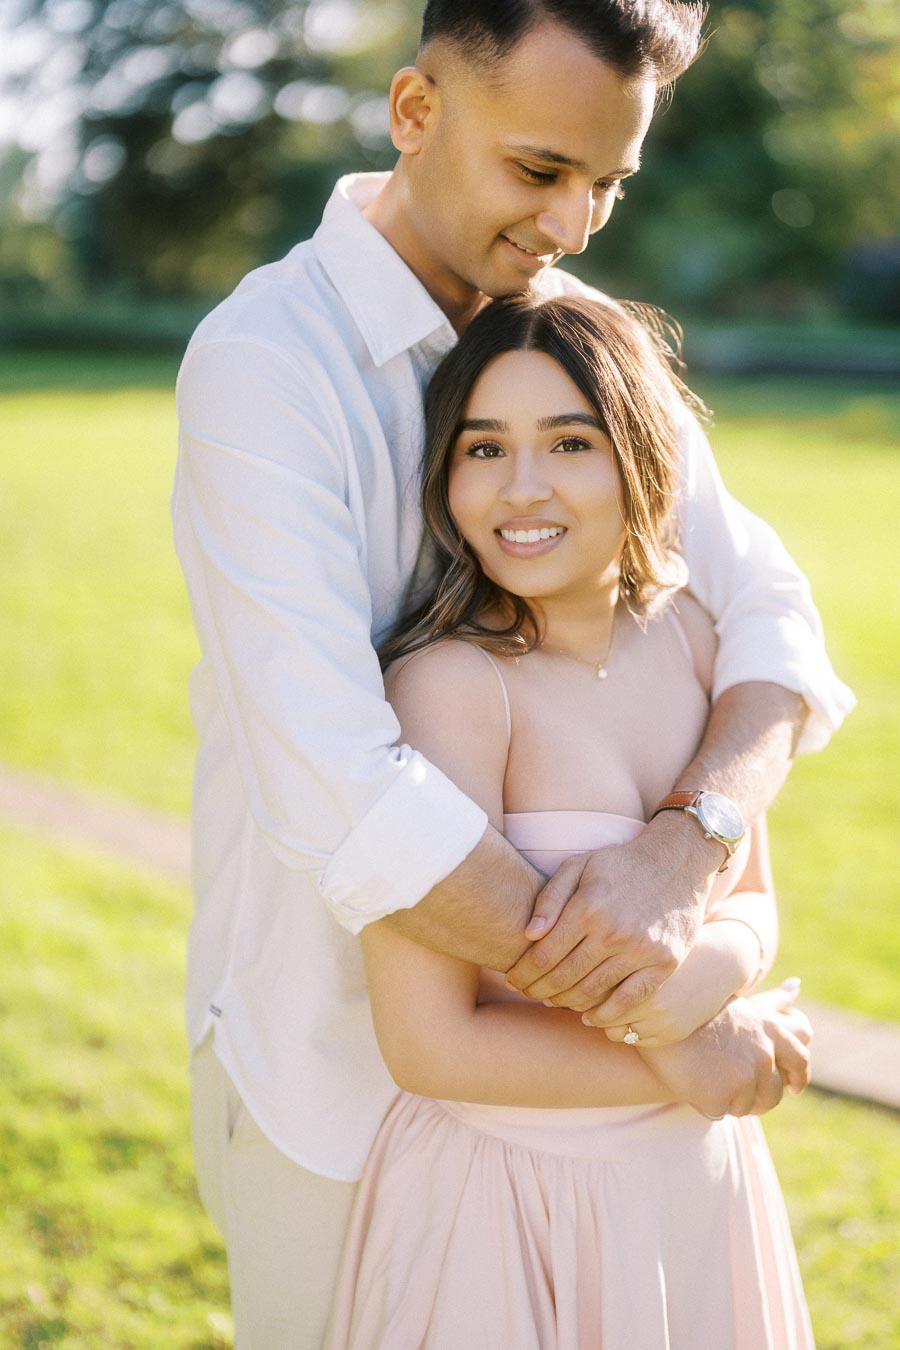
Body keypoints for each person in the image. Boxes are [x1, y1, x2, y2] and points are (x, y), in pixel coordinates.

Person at [173, 1, 852, 1343]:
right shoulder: (263, 367)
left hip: (610, 1126)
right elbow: (351, 795)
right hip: (333, 1074)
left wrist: (689, 841)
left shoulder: (580, 334)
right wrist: (668, 1021)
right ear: (416, 113)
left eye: (609, 182)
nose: (575, 226)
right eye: (542, 171)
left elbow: (769, 621)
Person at [326, 292, 816, 1349]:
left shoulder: (692, 637)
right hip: (512, 1195)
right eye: (484, 447)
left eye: (570, 442)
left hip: (693, 1181)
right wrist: (690, 1048)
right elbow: (429, 1044)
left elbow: (752, 898)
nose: (523, 489)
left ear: (642, 456)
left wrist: (699, 988)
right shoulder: (453, 687)